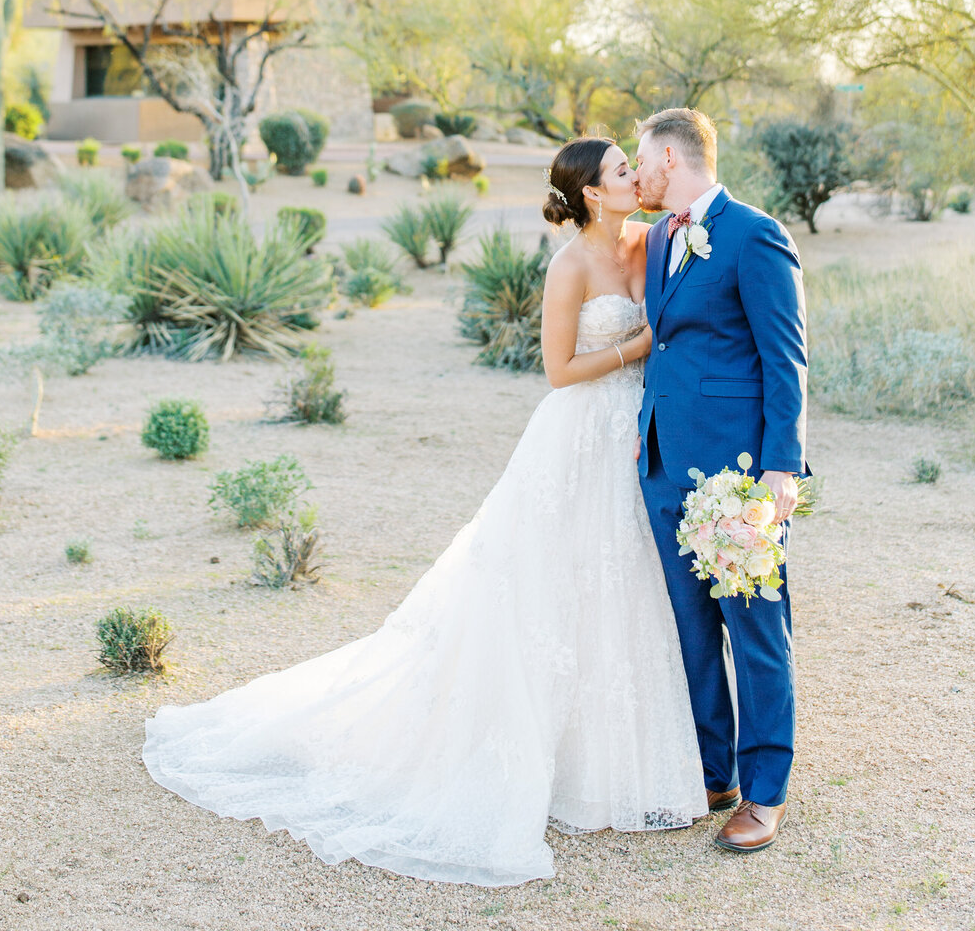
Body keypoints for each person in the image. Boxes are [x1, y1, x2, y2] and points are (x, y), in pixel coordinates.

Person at [142, 136, 706, 886]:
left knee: (626, 593)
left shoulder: (657, 240)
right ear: (590, 194)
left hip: (640, 434)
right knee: (552, 590)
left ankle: (624, 762)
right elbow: (558, 371)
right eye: (620, 172)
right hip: (578, 438)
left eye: (634, 167)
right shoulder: (570, 265)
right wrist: (633, 351)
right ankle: (550, 766)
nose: (636, 176)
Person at [633, 106, 808, 854]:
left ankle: (764, 791)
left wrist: (779, 468)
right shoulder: (657, 242)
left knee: (756, 629)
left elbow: (785, 358)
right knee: (693, 631)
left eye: (641, 159)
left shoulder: (754, 233)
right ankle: (715, 774)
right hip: (665, 463)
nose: (637, 174)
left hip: (737, 476)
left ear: (670, 158)